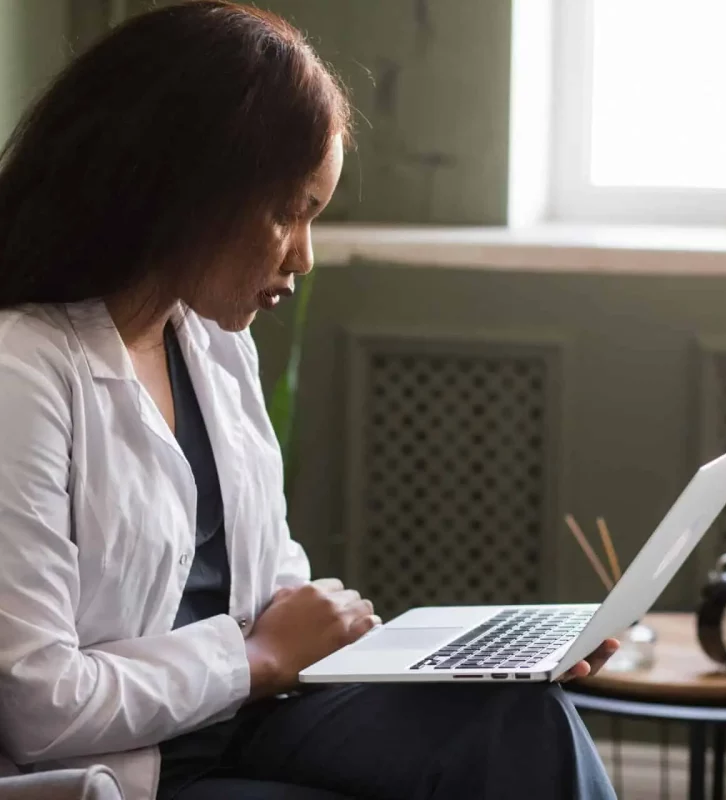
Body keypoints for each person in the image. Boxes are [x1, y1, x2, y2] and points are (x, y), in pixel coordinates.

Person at [0, 3, 619, 799]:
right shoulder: (24, 371)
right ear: (182, 187)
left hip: (258, 717)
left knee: (520, 718)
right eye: (288, 212)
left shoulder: (213, 342)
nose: (305, 254)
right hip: (144, 769)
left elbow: (272, 591)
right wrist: (254, 658)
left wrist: (486, 662)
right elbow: (36, 707)